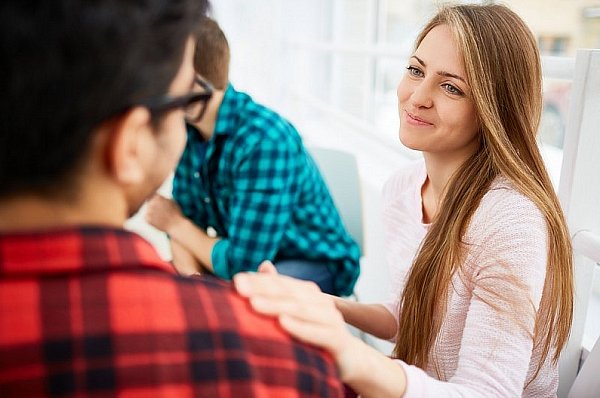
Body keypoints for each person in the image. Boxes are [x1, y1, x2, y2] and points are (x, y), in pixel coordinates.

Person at [0, 2, 345, 397]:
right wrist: (190, 274)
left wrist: (180, 234)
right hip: (236, 256)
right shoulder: (290, 369)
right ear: (131, 144)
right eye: (178, 102)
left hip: (303, 259)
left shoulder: (265, 139)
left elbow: (223, 249)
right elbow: (189, 225)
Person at [232, 4, 574, 397]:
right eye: (415, 70)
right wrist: (321, 304)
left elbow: (490, 393)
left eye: (451, 87)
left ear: (493, 109)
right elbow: (404, 316)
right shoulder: (403, 189)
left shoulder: (511, 221)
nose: (417, 97)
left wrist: (352, 355)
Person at [144, 18, 360, 297]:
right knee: (175, 294)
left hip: (312, 262)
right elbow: (187, 224)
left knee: (244, 304)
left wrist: (175, 223)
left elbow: (242, 264)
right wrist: (194, 286)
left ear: (195, 82)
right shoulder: (187, 129)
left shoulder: (264, 141)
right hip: (247, 256)